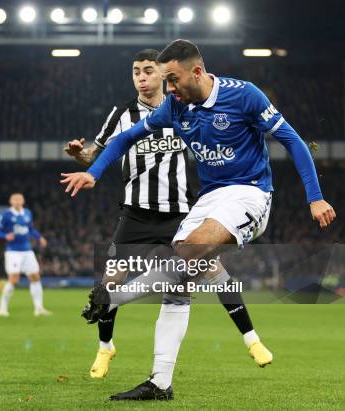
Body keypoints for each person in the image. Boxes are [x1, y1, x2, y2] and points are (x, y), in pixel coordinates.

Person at [60, 39, 335, 401]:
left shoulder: (245, 96)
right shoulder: (175, 107)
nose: (169, 89)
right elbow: (125, 138)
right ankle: (160, 383)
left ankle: (113, 297)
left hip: (250, 193)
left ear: (197, 72)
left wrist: (314, 197)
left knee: (190, 252)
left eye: (172, 80)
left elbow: (293, 141)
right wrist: (93, 172)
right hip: (208, 200)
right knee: (179, 287)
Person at [64, 49, 272, 380]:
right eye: (136, 72)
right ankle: (105, 348)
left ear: (163, 74)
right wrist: (81, 156)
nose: (141, 77)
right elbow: (98, 154)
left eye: (148, 71)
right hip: (135, 215)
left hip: (178, 211)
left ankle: (252, 339)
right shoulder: (122, 114)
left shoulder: (182, 108)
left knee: (214, 272)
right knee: (108, 283)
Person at [0, 193, 51, 317]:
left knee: (35, 277)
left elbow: (30, 229)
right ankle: (2, 308)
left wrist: (40, 237)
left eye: (19, 199)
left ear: (23, 201)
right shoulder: (6, 215)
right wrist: (5, 236)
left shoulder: (27, 213)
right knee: (14, 279)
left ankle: (39, 308)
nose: (17, 201)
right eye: (15, 199)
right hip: (13, 252)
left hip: (27, 251)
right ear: (10, 201)